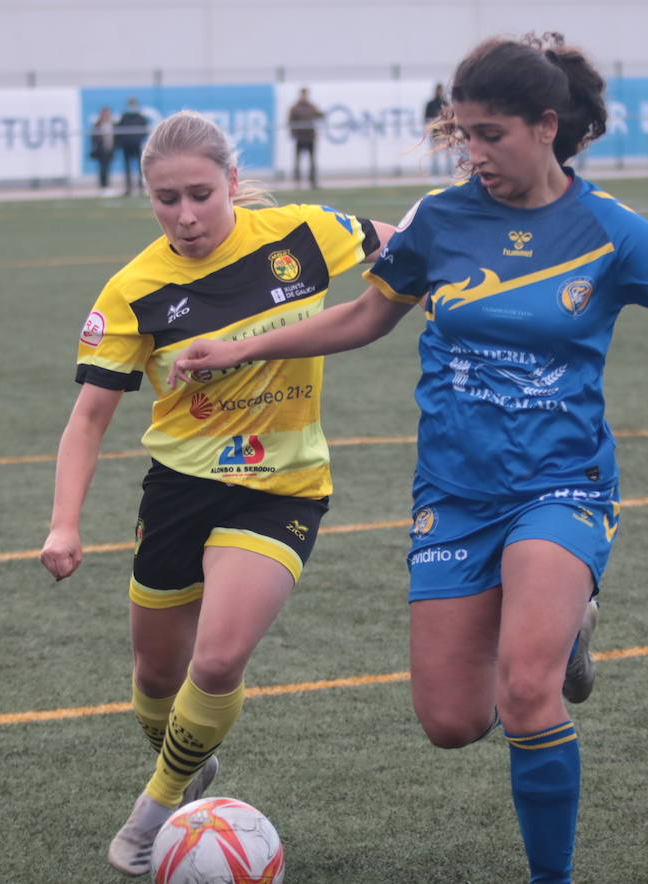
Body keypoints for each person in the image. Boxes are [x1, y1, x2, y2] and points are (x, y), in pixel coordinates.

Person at [171, 32, 648, 884]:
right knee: (450, 721)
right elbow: (365, 317)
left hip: (563, 485)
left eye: (491, 135)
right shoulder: (439, 220)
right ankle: (570, 634)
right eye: (463, 135)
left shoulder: (610, 230)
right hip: (454, 492)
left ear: (546, 126)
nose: (473, 154)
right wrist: (243, 347)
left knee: (525, 692)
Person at [38, 109, 397, 876]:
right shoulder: (135, 289)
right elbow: (88, 419)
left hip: (284, 486)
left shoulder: (301, 237)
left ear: (233, 182)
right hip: (179, 489)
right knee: (156, 679)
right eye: (167, 200)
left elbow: (404, 246)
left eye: (201, 193)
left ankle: (149, 817)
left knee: (220, 658)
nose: (186, 215)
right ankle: (186, 766)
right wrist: (64, 524)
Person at [287, 87, 324, 188]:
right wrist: (294, 134)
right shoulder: (295, 108)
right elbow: (290, 121)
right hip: (300, 138)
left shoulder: (311, 107)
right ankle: (297, 182)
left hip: (310, 137)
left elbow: (318, 115)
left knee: (312, 161)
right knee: (298, 161)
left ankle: (313, 181)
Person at [115, 98, 149, 196]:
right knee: (127, 168)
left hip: (137, 146)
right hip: (126, 146)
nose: (132, 106)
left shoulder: (141, 117)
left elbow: (144, 131)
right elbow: (119, 131)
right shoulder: (124, 117)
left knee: (140, 168)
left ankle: (141, 187)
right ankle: (128, 188)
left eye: (133, 104)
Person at [423, 82, 450, 178]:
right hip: (434, 133)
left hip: (445, 133)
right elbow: (426, 118)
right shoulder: (430, 104)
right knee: (434, 155)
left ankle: (449, 174)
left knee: (448, 155)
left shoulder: (445, 103)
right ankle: (435, 175)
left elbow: (450, 118)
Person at [90, 106, 117, 193]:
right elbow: (94, 138)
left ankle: (107, 187)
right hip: (101, 150)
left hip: (110, 149)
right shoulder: (97, 124)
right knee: (102, 169)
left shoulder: (112, 124)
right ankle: (103, 187)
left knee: (108, 168)